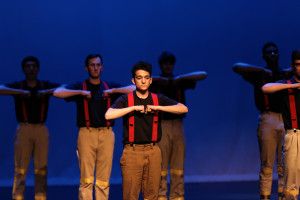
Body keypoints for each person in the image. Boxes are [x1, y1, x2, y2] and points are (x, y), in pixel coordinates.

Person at [53, 54, 134, 200]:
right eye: (92, 65)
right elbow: (57, 92)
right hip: (86, 133)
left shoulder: (109, 86)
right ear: (86, 67)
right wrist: (80, 93)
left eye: (98, 64)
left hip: (106, 134)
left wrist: (113, 91)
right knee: (86, 180)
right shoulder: (80, 86)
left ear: (102, 67)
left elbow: (134, 88)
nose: (95, 68)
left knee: (103, 181)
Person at [105, 61, 188, 200]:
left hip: (153, 151)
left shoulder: (157, 99)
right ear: (133, 80)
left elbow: (183, 108)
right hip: (132, 152)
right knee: (130, 196)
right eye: (139, 77)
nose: (143, 81)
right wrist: (132, 109)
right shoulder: (126, 99)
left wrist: (158, 108)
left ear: (150, 80)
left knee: (152, 195)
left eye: (146, 77)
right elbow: (109, 114)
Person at [233, 42, 292, 200]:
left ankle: (282, 197)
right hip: (267, 119)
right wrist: (261, 69)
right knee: (267, 165)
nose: (272, 55)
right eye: (269, 53)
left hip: (285, 120)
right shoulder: (260, 74)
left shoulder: (285, 74)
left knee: (284, 165)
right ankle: (265, 197)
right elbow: (237, 67)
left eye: (275, 52)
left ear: (279, 54)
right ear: (264, 56)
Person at [0, 56, 60, 200]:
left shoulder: (44, 85)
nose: (31, 69)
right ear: (23, 69)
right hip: (24, 128)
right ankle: (18, 196)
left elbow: (63, 88)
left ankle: (40, 197)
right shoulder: (19, 85)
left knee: (41, 168)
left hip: (41, 128)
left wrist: (45, 93)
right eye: (28, 66)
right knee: (20, 168)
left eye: (34, 66)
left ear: (38, 68)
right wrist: (19, 93)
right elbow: (1, 89)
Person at [149, 51, 207, 200]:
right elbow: (139, 82)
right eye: (165, 63)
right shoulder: (155, 82)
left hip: (178, 125)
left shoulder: (179, 80)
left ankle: (177, 196)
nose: (168, 66)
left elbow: (202, 74)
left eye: (170, 63)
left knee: (177, 166)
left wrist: (179, 78)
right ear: (160, 65)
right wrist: (161, 80)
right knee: (160, 166)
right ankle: (160, 196)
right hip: (162, 125)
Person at [262, 49, 300, 200]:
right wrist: (295, 87)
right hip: (293, 135)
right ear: (293, 66)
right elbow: (266, 88)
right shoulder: (287, 84)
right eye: (298, 65)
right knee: (290, 183)